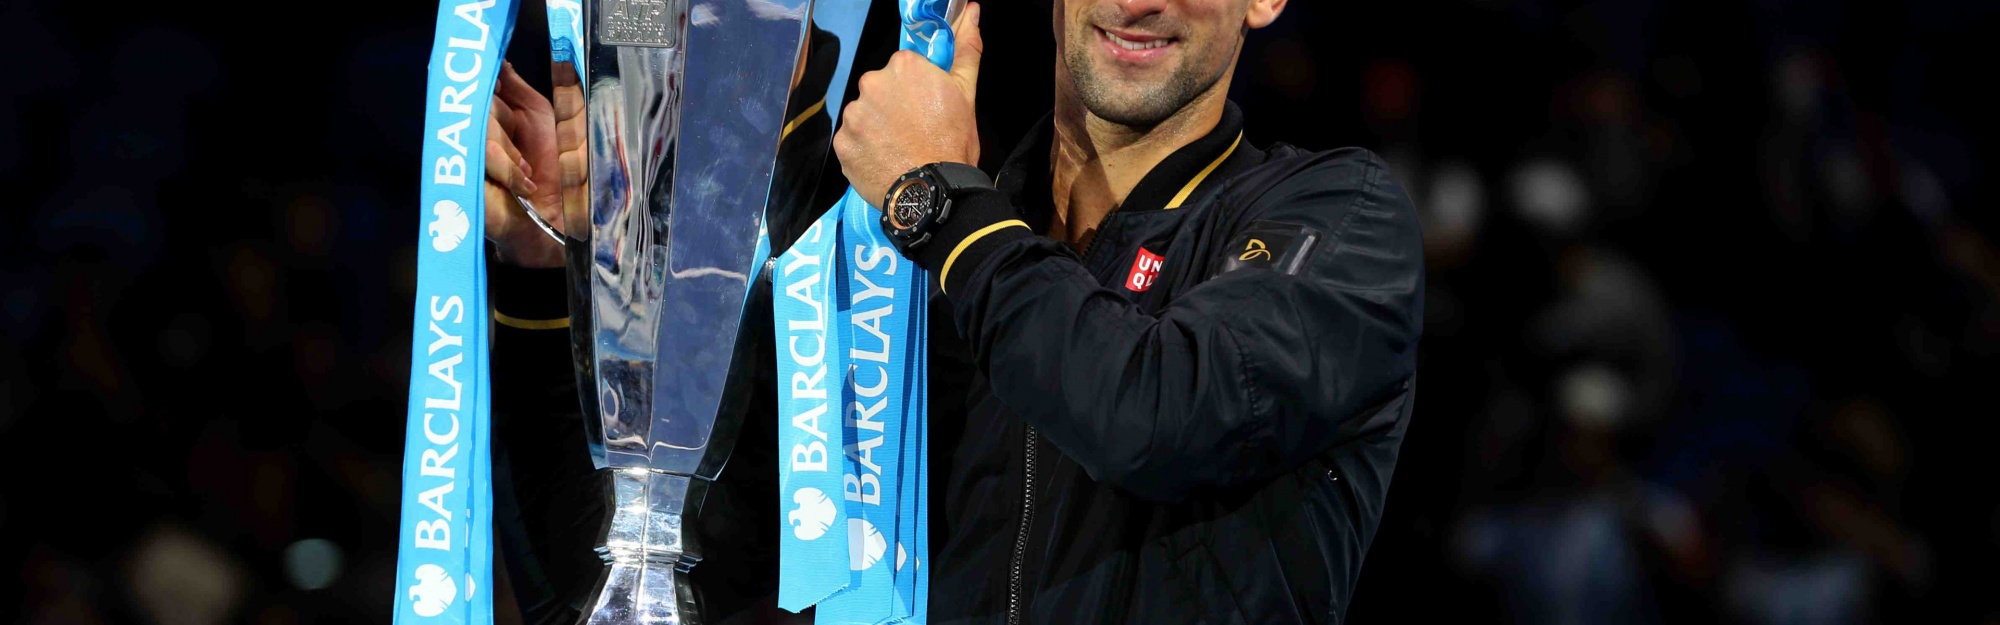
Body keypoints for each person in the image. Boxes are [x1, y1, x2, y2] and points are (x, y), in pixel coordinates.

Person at [481, 0, 1423, 622]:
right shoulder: (895, 260)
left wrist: (941, 202)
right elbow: (679, 588)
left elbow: (1156, 411)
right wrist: (550, 281)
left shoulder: (1337, 218)